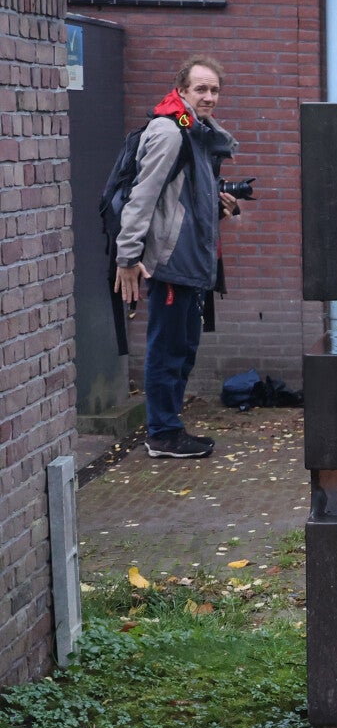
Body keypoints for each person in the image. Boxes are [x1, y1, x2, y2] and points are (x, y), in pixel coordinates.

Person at [114, 56, 242, 458]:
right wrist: (127, 257)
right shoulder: (170, 132)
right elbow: (142, 198)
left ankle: (170, 429)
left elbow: (183, 201)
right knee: (167, 350)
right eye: (200, 89)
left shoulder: (196, 133)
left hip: (191, 261)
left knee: (182, 349)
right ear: (182, 90)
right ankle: (162, 434)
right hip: (171, 262)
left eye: (215, 90)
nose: (209, 96)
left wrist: (221, 206)